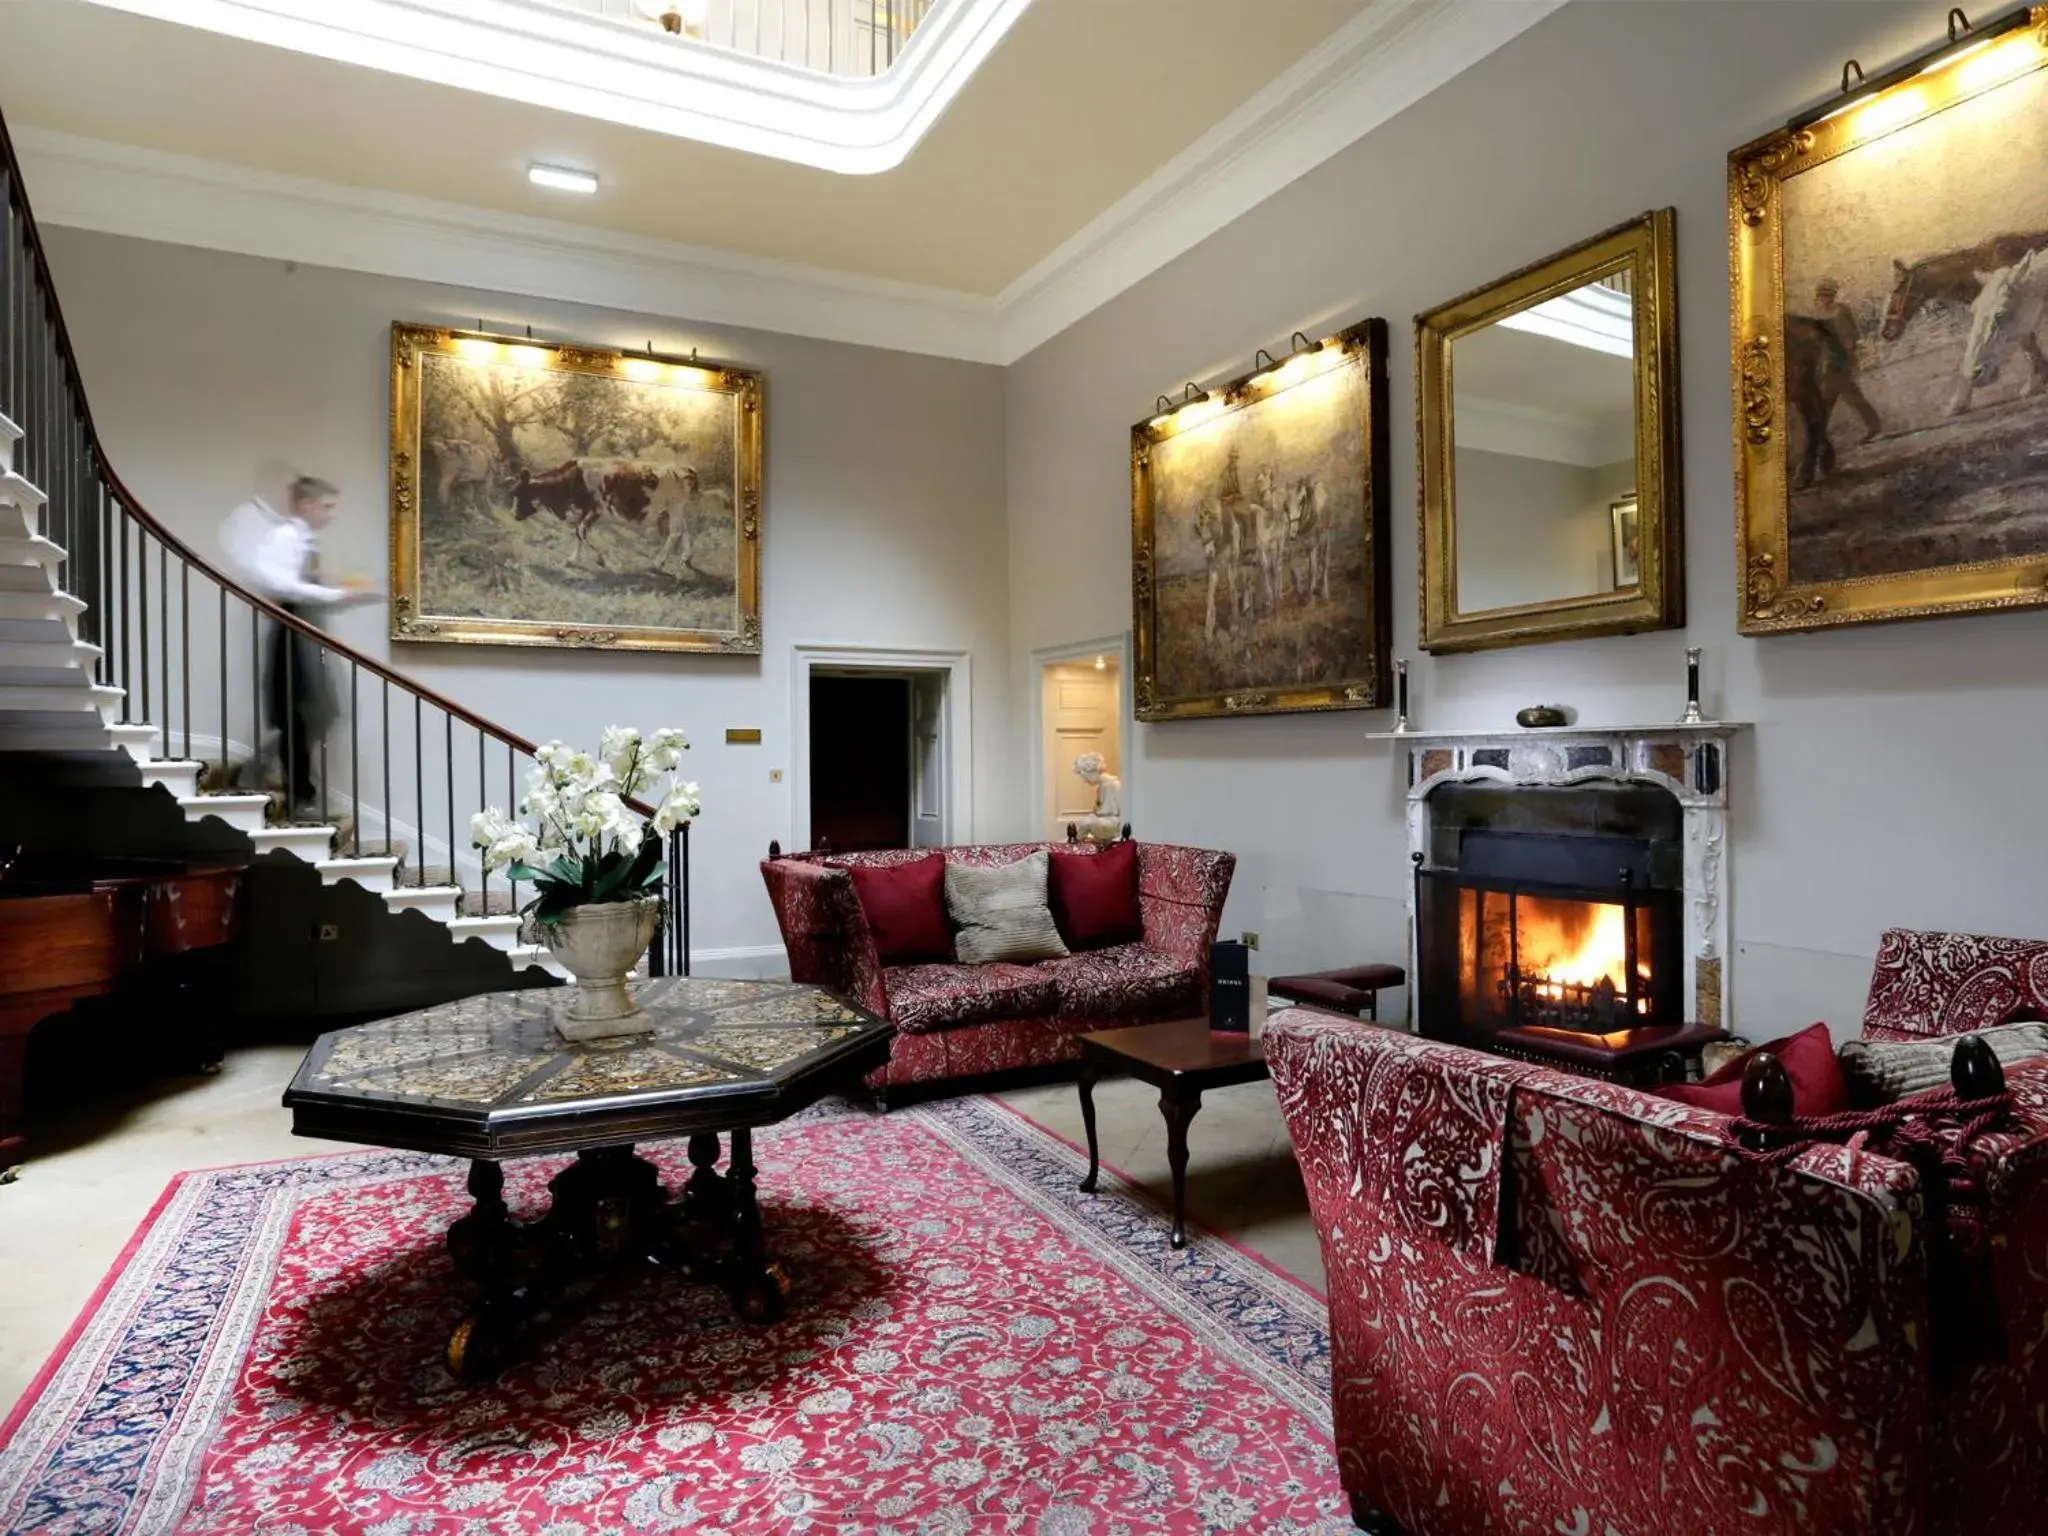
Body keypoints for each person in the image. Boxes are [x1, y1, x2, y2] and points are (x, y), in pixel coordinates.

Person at [219, 474, 380, 818]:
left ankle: (267, 770)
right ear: (306, 505)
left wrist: (345, 596)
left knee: (320, 713)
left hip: (305, 634)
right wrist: (336, 594)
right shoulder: (285, 538)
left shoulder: (305, 542)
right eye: (327, 506)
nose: (331, 513)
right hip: (290, 635)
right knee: (299, 716)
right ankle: (297, 793)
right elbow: (280, 584)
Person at [1810, 278, 1883, 444]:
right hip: (1829, 362)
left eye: (1823, 296)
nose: (1820, 299)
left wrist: (1847, 354)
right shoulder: (1821, 314)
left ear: (1830, 296)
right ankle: (1874, 426)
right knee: (1850, 397)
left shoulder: (1840, 312)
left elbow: (1850, 338)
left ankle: (1818, 437)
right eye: (1820, 296)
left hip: (1838, 362)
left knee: (1829, 400)